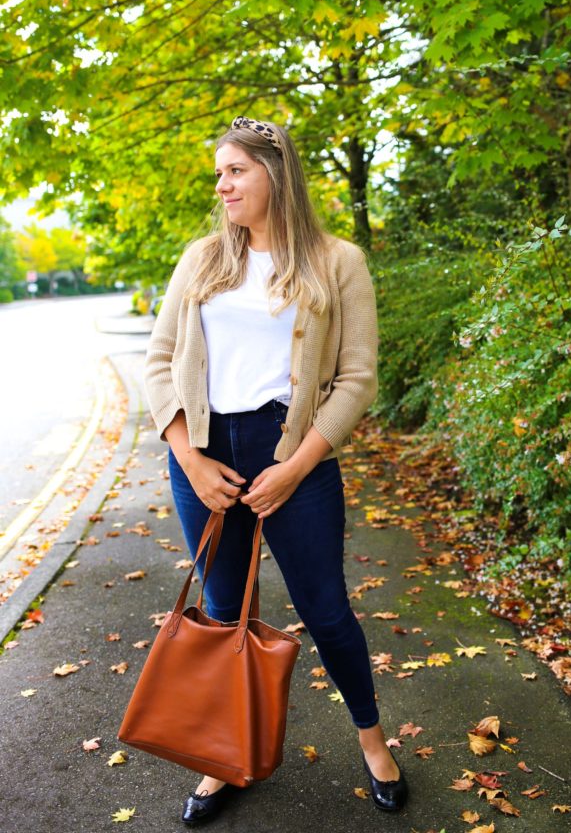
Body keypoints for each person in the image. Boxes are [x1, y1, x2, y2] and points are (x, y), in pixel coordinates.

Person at [144, 115, 408, 825]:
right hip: (204, 450)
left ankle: (374, 744)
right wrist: (189, 458)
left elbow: (356, 379)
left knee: (326, 612)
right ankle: (222, 757)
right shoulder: (202, 259)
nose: (222, 185)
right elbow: (160, 363)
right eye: (220, 173)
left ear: (275, 174)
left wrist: (295, 466)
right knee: (224, 614)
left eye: (236, 171)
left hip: (294, 450)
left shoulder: (337, 261)